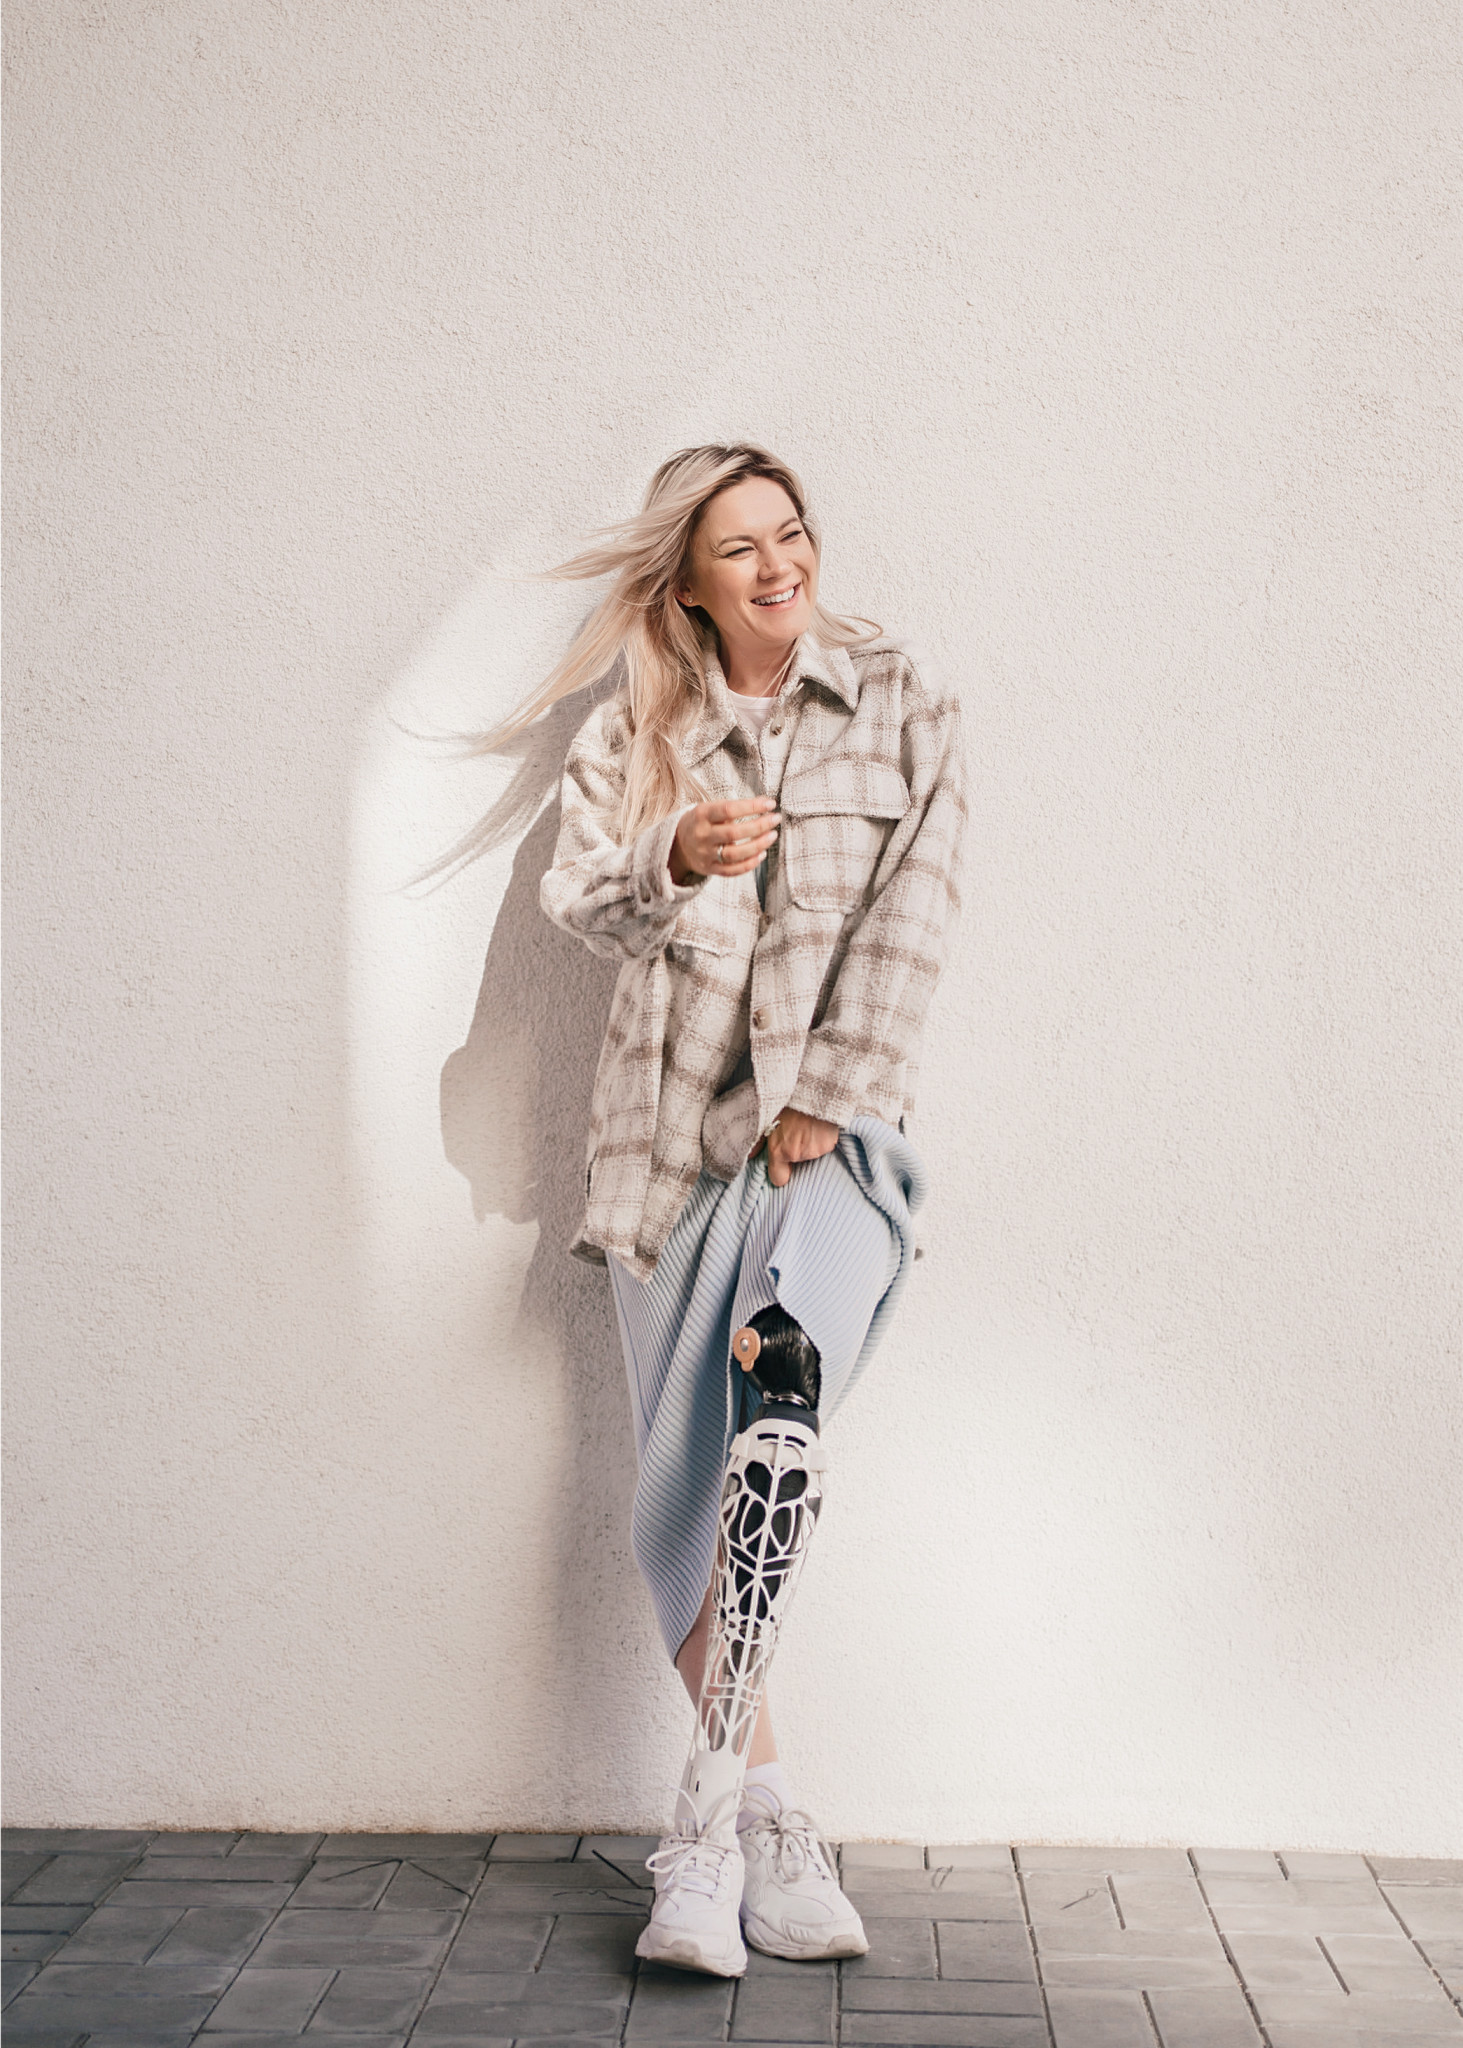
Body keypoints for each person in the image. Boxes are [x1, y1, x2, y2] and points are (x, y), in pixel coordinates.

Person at [511, 444, 965, 1976]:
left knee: (782, 1398)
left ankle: (699, 1838)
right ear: (691, 584)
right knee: (679, 1518)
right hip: (671, 1157)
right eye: (741, 549)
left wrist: (826, 1095)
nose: (780, 566)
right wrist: (674, 853)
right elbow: (581, 901)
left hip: (834, 1148)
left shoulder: (903, 698)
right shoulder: (636, 731)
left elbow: (917, 913)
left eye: (792, 534)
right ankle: (757, 1823)